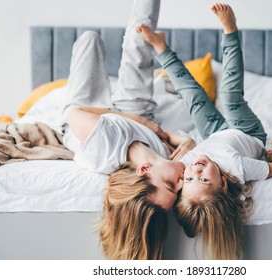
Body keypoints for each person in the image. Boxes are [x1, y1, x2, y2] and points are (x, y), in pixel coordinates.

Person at [137, 3, 272, 259]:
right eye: (204, 179)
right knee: (229, 96)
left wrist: (181, 141)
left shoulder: (186, 166)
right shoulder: (239, 168)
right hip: (248, 132)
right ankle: (230, 30)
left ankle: (161, 48)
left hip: (215, 132)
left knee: (193, 97)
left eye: (190, 180)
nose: (196, 172)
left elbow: (168, 159)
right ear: (223, 183)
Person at [62, 0, 194, 259]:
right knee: (138, 46)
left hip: (87, 116)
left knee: (89, 39)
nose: (181, 184)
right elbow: (183, 141)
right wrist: (189, 142)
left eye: (171, 185)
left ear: (144, 170)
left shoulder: (103, 149)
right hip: (134, 122)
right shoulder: (168, 162)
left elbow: (74, 114)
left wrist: (140, 122)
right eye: (178, 191)